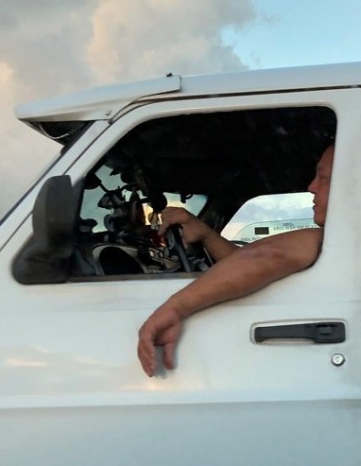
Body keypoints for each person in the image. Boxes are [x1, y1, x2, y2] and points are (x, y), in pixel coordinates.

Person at [136, 146, 334, 376]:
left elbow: (266, 257)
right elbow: (248, 268)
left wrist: (173, 309)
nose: (311, 187)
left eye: (324, 177)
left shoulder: (338, 239)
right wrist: (206, 235)